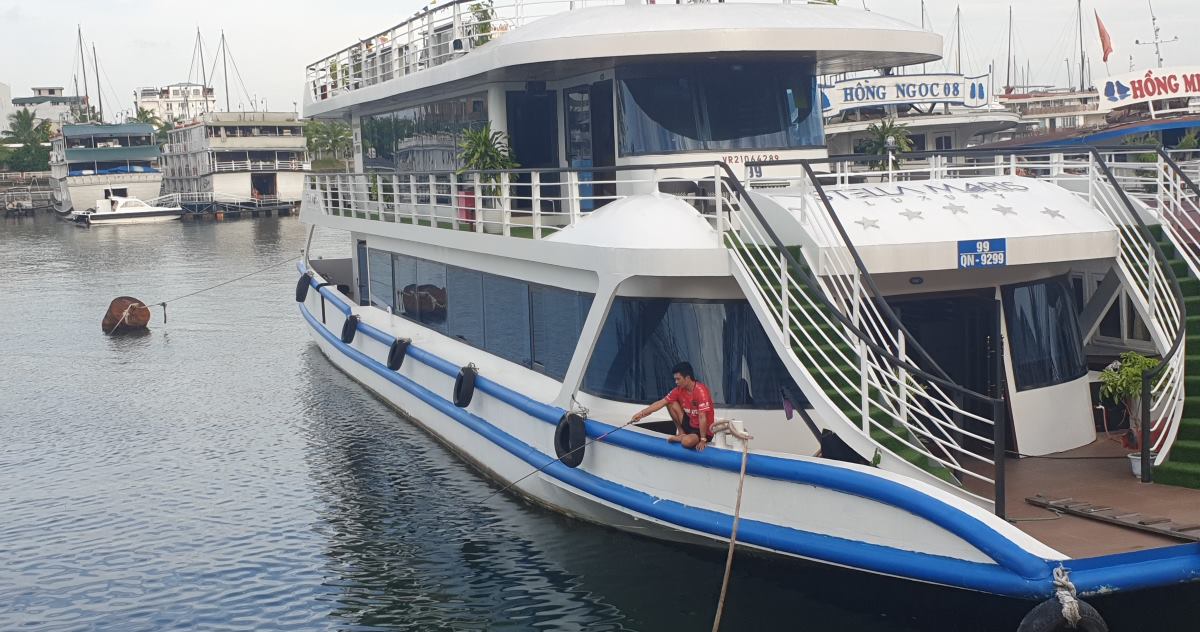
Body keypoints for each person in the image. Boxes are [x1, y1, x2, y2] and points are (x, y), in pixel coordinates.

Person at [630, 361, 715, 451]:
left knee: (686, 442)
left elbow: (702, 417)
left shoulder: (701, 391)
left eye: (678, 379)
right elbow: (661, 403)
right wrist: (641, 414)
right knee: (670, 402)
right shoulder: (678, 390)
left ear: (687, 378)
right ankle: (681, 432)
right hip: (690, 424)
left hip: (704, 431)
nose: (676, 382)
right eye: (675, 379)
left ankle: (681, 438)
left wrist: (703, 440)